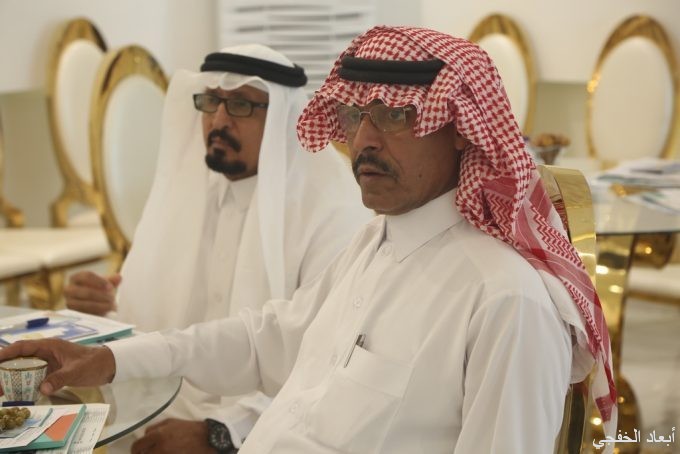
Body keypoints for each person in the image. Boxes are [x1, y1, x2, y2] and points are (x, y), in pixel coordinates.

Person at [1, 27, 617, 453]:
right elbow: (266, 339)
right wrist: (110, 358)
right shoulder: (376, 243)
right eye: (354, 115)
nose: (365, 139)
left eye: (395, 115)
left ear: (462, 130)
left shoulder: (504, 304)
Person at [62, 43, 374, 451]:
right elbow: (163, 321)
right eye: (211, 101)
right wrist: (106, 305)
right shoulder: (190, 195)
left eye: (241, 105)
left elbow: (323, 366)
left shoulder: (332, 213)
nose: (219, 120)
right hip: (162, 407)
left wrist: (219, 433)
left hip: (270, 430)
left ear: (284, 118)